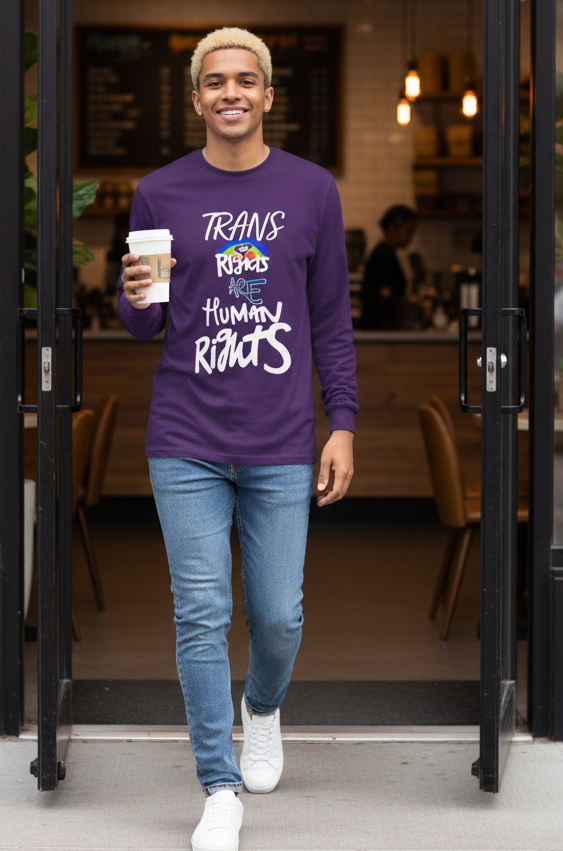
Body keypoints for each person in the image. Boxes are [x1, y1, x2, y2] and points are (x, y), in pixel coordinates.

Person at [118, 27, 358, 851]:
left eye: (245, 80)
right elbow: (140, 324)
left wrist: (345, 425)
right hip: (184, 437)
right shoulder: (158, 192)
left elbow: (331, 321)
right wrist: (131, 294)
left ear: (266, 94)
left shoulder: (311, 189)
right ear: (195, 98)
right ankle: (218, 785)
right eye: (214, 81)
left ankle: (262, 705)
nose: (230, 93)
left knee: (278, 615)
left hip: (282, 440)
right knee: (201, 612)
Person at [361, 205, 418, 330]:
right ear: (392, 228)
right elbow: (385, 299)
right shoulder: (383, 256)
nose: (411, 238)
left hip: (381, 329)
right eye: (408, 231)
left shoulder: (386, 253)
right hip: (380, 331)